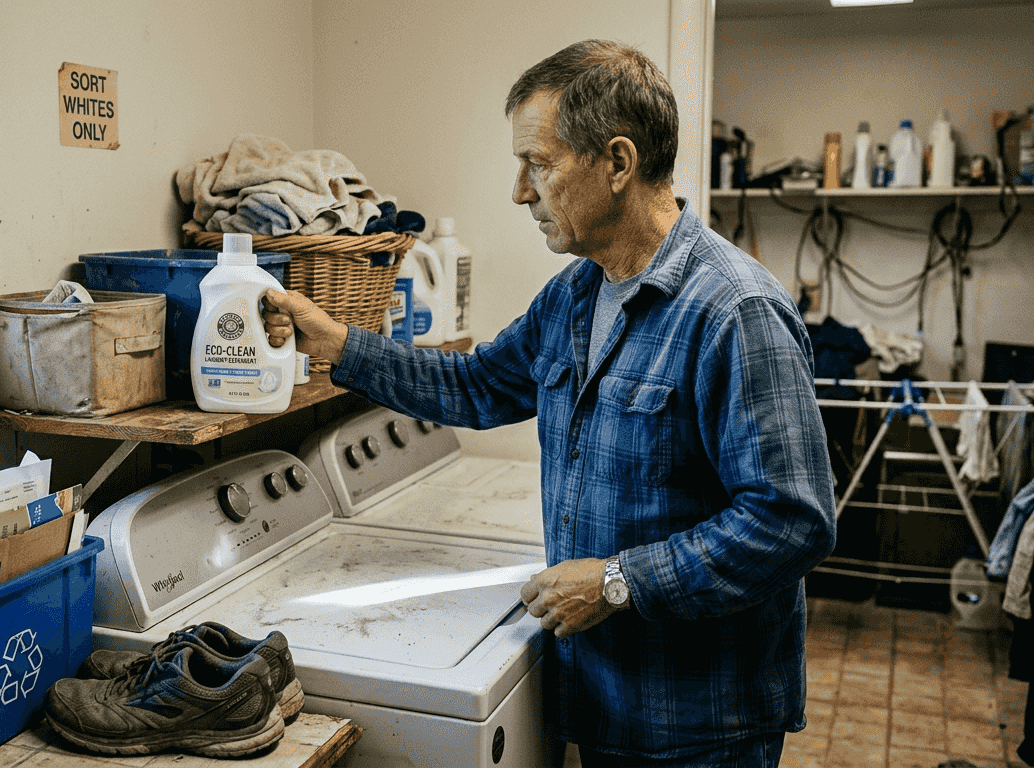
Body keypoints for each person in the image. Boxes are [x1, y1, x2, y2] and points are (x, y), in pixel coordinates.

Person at [263, 39, 835, 767]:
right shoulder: (576, 294)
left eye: (537, 163)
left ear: (618, 163)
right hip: (599, 695)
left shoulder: (735, 311)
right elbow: (477, 385)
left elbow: (792, 522)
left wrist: (617, 582)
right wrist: (338, 343)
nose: (520, 192)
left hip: (697, 720)